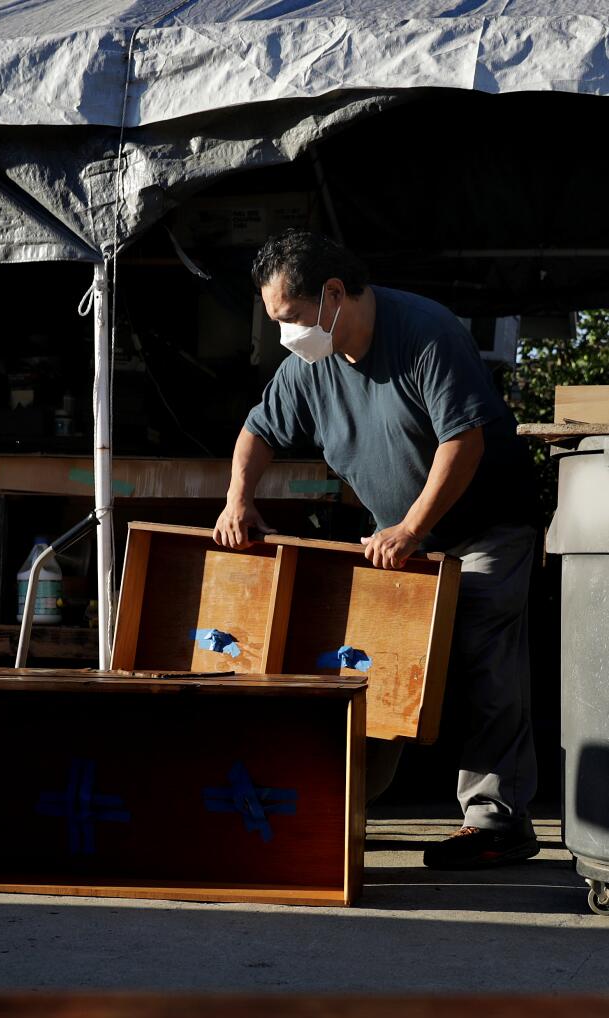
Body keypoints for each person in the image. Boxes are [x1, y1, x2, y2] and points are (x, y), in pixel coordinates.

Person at [215, 229, 540, 869]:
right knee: (370, 660)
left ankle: (498, 824)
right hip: (398, 537)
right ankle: (347, 807)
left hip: (484, 530)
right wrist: (237, 500)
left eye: (292, 318)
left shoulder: (426, 332)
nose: (287, 334)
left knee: (480, 656)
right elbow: (257, 430)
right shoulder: (310, 365)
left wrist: (413, 530)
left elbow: (464, 442)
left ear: (334, 294)